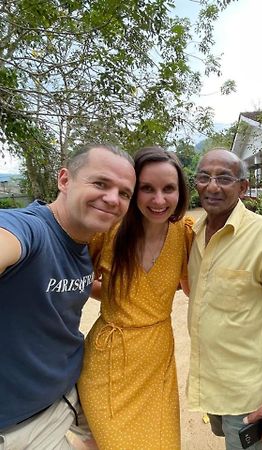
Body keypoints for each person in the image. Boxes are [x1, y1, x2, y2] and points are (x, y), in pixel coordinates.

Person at [0, 144, 136, 449]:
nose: (113, 198)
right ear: (64, 180)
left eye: (124, 193)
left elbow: (81, 286)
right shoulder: (30, 230)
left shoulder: (84, 244)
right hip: (22, 424)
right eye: (100, 183)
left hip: (72, 392)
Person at [77, 146, 193, 450]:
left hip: (156, 362)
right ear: (133, 191)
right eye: (147, 189)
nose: (158, 200)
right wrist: (118, 299)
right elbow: (78, 281)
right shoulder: (110, 229)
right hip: (107, 360)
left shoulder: (186, 234)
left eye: (168, 189)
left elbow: (192, 287)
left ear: (180, 191)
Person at [187, 149, 262, 449]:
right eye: (204, 177)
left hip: (247, 397)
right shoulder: (193, 233)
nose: (212, 186)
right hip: (210, 385)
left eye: (224, 178)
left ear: (243, 187)